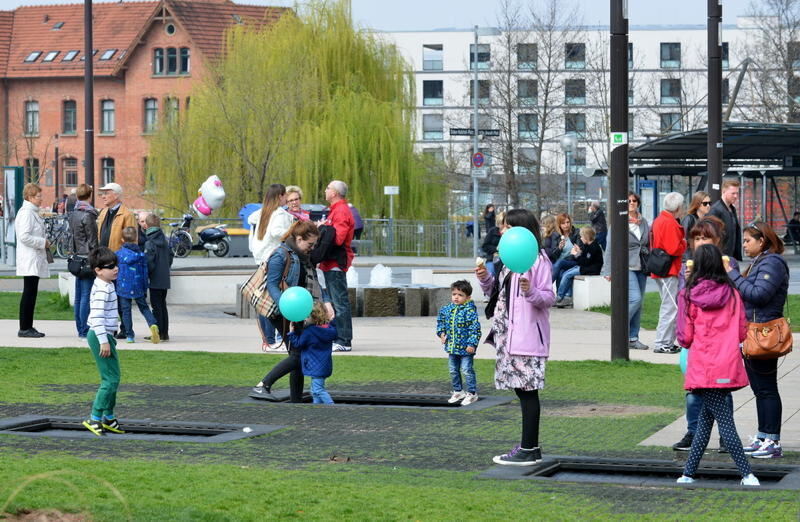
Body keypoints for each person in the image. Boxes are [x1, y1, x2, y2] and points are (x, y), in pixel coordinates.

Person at [675, 244, 758, 487]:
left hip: (703, 364)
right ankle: (688, 473)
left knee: (723, 421)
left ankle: (747, 474)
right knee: (706, 420)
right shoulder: (733, 294)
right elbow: (742, 332)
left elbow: (684, 337)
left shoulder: (688, 294)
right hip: (726, 364)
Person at [477, 209, 555, 465]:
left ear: (521, 230)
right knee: (522, 390)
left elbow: (547, 298)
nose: (501, 231)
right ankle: (527, 445)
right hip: (508, 336)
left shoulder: (538, 260)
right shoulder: (510, 259)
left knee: (527, 390)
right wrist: (485, 279)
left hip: (527, 335)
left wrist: (531, 291)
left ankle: (530, 448)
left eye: (506, 227)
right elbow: (498, 293)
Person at [672, 216, 738, 452]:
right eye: (697, 238)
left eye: (705, 238)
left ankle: (725, 436)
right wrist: (688, 283)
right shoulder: (688, 267)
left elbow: (735, 299)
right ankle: (693, 432)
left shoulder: (728, 265)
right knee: (694, 391)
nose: (700, 242)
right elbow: (684, 305)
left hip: (720, 342)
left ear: (717, 240)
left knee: (721, 390)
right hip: (698, 342)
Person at [725, 221, 788, 460]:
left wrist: (732, 275)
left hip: (764, 333)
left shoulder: (772, 262)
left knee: (767, 389)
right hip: (754, 332)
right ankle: (764, 436)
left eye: (747, 240)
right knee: (761, 389)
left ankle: (772, 440)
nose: (744, 244)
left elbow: (758, 295)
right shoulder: (760, 262)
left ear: (762, 241)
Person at [252, 221, 332, 403]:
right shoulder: (280, 254)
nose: (312, 248)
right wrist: (286, 307)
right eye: (310, 244)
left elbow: (315, 281)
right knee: (298, 354)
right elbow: (272, 284)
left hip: (297, 311)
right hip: (282, 312)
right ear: (298, 238)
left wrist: (326, 301)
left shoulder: (304, 257)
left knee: (297, 353)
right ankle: (262, 385)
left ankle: (295, 399)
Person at [82, 246, 126, 437]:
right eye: (110, 266)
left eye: (116, 265)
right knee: (110, 380)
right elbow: (97, 316)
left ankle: (108, 417)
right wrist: (103, 341)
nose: (115, 269)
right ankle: (95, 417)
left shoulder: (107, 285)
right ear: (98, 270)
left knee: (114, 378)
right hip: (100, 335)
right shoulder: (102, 288)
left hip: (106, 335)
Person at [601, 191, 650, 350]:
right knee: (634, 299)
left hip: (641, 266)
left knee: (639, 303)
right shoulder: (618, 222)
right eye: (628, 200)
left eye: (634, 200)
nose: (632, 203)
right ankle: (619, 329)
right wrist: (608, 270)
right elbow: (610, 248)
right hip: (625, 266)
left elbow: (647, 243)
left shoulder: (643, 222)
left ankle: (633, 338)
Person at [249, 184, 294, 351]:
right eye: (285, 196)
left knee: (263, 299)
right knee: (269, 299)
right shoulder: (280, 214)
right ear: (281, 196)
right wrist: (292, 230)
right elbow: (277, 232)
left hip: (260, 257)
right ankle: (270, 340)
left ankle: (268, 340)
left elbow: (250, 220)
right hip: (272, 257)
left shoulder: (262, 213)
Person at [316, 180, 355, 352]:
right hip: (330, 262)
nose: (325, 190)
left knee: (339, 302)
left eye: (328, 188)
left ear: (335, 193)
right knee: (334, 301)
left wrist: (323, 229)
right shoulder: (336, 210)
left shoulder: (341, 211)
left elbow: (338, 238)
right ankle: (337, 336)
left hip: (335, 262)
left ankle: (344, 340)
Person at [650, 192, 687, 354]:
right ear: (678, 207)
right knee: (670, 307)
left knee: (669, 306)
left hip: (662, 268)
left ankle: (666, 342)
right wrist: (684, 244)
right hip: (668, 269)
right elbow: (674, 248)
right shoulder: (669, 222)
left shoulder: (659, 220)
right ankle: (662, 343)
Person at [436, 280, 481, 406]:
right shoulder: (447, 310)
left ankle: (472, 393)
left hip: (466, 349)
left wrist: (472, 344)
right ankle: (458, 391)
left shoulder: (469, 311)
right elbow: (440, 322)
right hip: (452, 347)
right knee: (453, 370)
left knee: (467, 369)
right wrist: (441, 333)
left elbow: (475, 329)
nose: (456, 297)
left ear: (468, 297)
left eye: (460, 295)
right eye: (454, 294)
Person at [15, 183, 50, 338]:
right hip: (30, 257)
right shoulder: (27, 213)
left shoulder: (31, 212)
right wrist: (43, 242)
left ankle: (27, 326)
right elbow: (24, 236)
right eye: (38, 196)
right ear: (29, 197)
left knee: (31, 292)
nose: (41, 198)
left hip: (32, 257)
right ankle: (24, 327)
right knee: (29, 293)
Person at [115, 227, 159, 344]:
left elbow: (115, 271)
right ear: (136, 239)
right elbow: (145, 273)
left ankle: (129, 335)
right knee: (144, 308)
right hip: (138, 285)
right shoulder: (141, 255)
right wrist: (145, 287)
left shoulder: (118, 255)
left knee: (126, 311)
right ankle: (153, 324)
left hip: (123, 287)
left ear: (122, 239)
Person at [289, 301, 338, 405]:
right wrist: (332, 320)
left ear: (312, 317)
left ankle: (333, 407)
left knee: (318, 390)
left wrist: (292, 333)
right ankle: (316, 409)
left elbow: (298, 344)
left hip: (314, 365)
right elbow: (333, 328)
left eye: (307, 316)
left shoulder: (309, 332)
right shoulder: (329, 329)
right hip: (324, 365)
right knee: (315, 391)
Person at [68, 183, 98, 338]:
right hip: (87, 258)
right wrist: (97, 256)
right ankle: (84, 329)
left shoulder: (73, 213)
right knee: (86, 295)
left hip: (77, 257)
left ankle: (80, 328)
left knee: (79, 295)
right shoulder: (89, 214)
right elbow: (93, 240)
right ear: (90, 195)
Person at [555, 226, 603, 308]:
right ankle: (566, 296)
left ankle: (559, 297)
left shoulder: (594, 247)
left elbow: (585, 262)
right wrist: (579, 252)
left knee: (567, 275)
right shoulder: (588, 245)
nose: (580, 238)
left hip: (590, 270)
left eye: (582, 237)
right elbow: (584, 259)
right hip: (584, 267)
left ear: (586, 237)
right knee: (565, 273)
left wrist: (576, 254)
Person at [144, 214, 173, 342]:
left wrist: (147, 274)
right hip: (164, 278)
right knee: (162, 305)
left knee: (156, 307)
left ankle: (158, 333)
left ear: (147, 225)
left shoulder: (150, 242)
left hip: (154, 279)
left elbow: (149, 262)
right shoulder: (165, 240)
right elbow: (170, 257)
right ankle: (165, 333)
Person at [96, 183, 137, 252]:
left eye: (106, 193)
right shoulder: (103, 212)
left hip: (118, 259)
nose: (103, 196)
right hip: (102, 258)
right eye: (102, 194)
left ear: (116, 196)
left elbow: (132, 242)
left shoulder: (127, 215)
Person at [708, 179, 742, 260]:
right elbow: (711, 235)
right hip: (720, 257)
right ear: (723, 192)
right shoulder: (716, 210)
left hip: (730, 256)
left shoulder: (732, 209)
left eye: (737, 193)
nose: (736, 196)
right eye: (733, 193)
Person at [549, 213, 580, 289]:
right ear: (559, 225)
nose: (566, 225)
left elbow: (578, 251)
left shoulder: (576, 232)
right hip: (559, 264)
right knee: (560, 272)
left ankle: (546, 287)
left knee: (560, 263)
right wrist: (559, 248)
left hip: (573, 261)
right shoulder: (556, 235)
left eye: (567, 222)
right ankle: (560, 297)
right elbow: (553, 255)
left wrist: (576, 251)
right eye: (563, 223)